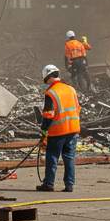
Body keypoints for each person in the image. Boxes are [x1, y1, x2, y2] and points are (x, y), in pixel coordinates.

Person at [36, 64, 80, 193]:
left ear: (48, 77)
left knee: (52, 157)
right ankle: (69, 185)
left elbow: (48, 114)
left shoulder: (51, 93)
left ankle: (48, 184)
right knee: (69, 158)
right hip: (73, 129)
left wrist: (44, 130)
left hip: (58, 131)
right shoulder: (71, 89)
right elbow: (78, 108)